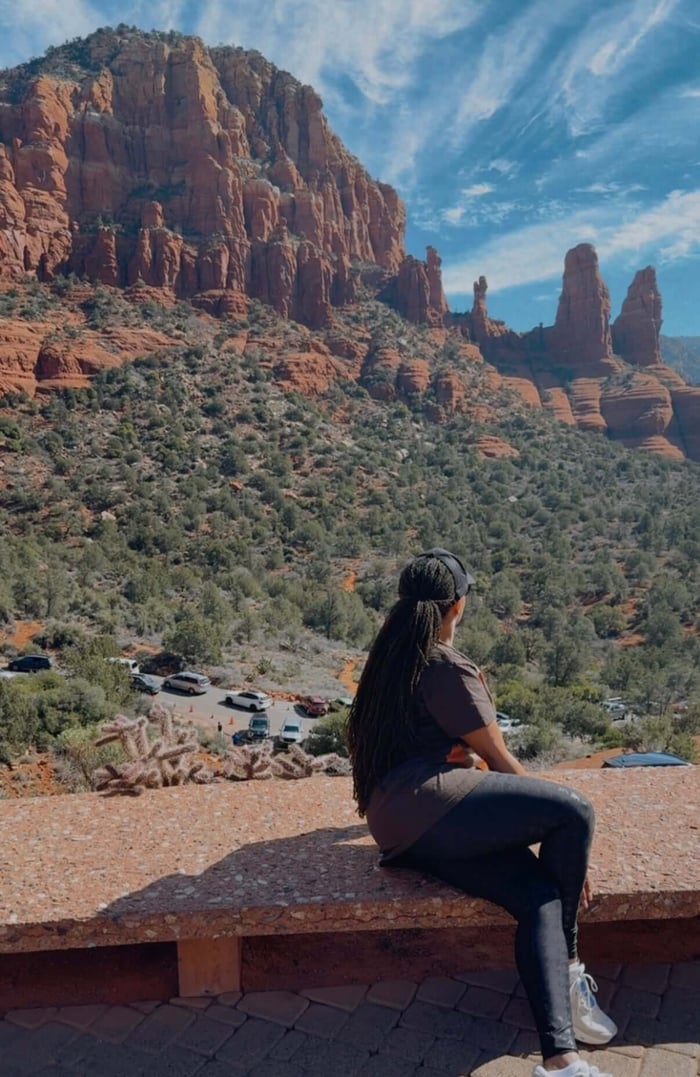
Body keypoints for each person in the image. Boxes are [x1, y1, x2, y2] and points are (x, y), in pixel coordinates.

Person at [347, 549, 617, 1077]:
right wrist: (573, 849)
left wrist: (456, 758)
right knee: (574, 812)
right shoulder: (446, 664)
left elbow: (408, 745)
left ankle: (561, 1062)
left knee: (539, 894)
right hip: (431, 808)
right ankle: (570, 969)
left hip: (398, 827)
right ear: (459, 606)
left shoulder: (390, 656)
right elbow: (500, 760)